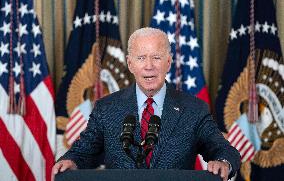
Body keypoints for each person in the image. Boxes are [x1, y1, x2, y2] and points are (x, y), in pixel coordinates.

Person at [52, 27, 240, 181]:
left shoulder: (194, 109)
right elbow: (83, 151)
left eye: (156, 57)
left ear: (168, 62)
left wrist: (223, 161)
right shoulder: (106, 108)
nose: (149, 66)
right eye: (141, 58)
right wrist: (70, 160)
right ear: (130, 64)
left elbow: (223, 149)